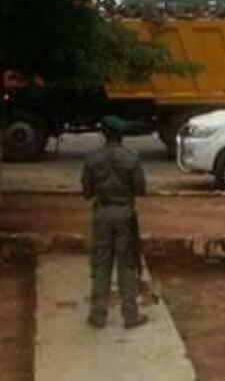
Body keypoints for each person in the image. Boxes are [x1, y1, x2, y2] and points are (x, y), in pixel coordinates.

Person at [81, 116, 148, 329]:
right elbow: (140, 189)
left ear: (103, 134)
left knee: (101, 263)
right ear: (121, 135)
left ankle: (98, 315)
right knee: (126, 264)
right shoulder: (131, 158)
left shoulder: (92, 159)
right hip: (124, 214)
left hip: (102, 213)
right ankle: (130, 315)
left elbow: (87, 192)